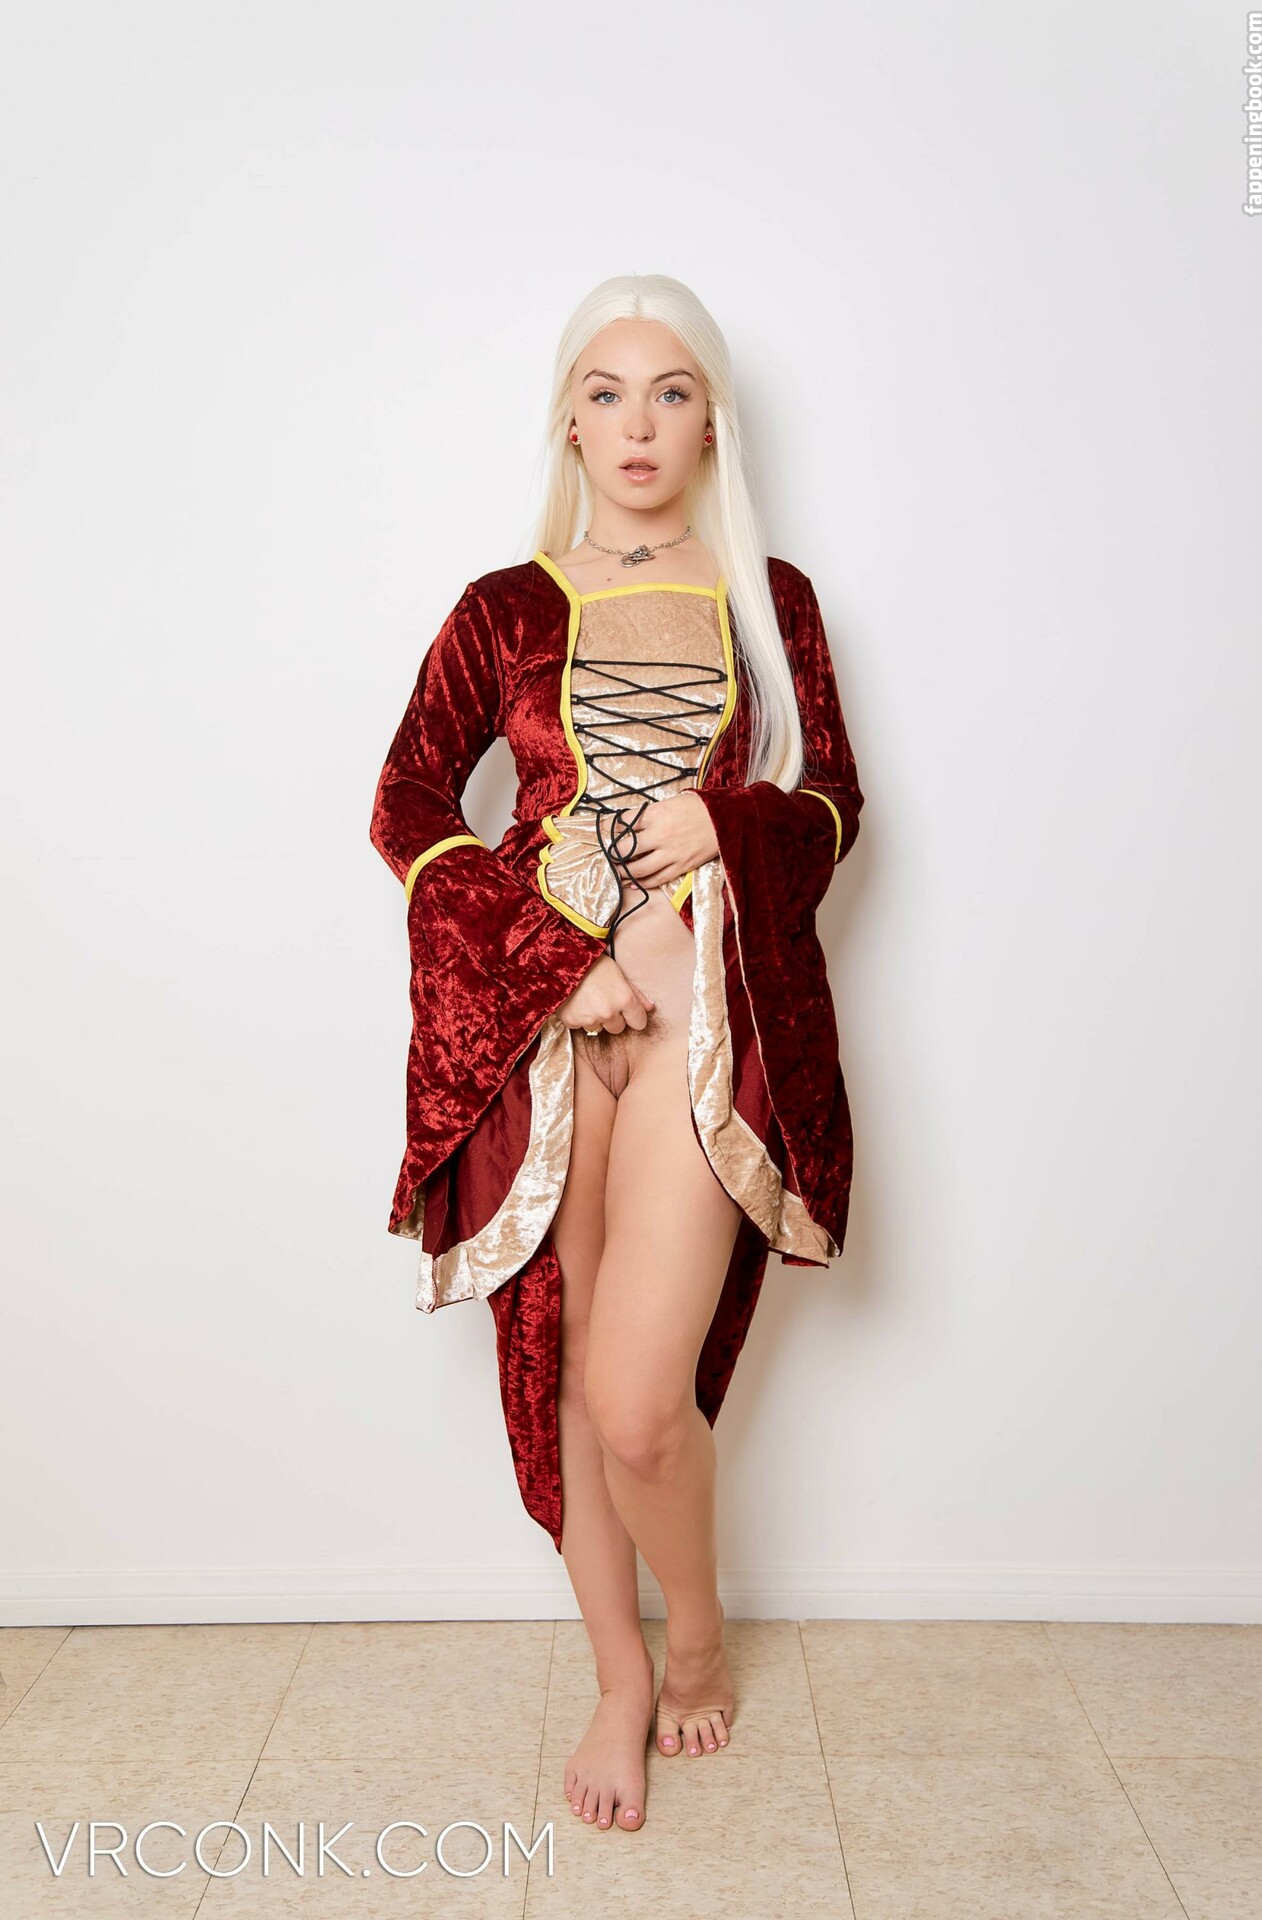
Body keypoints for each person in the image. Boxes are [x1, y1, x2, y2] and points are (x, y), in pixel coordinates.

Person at [369, 273, 864, 1835]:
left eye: (669, 391)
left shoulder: (773, 600)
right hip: (546, 1042)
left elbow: (837, 805)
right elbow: (407, 806)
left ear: (712, 421)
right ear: (568, 422)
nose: (636, 423)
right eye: (605, 391)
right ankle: (620, 1677)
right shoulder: (501, 609)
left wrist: (730, 822)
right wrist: (547, 964)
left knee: (643, 1400)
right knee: (571, 1381)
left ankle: (695, 1636)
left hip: (704, 1029)